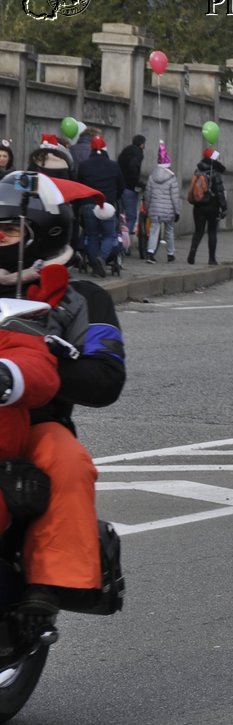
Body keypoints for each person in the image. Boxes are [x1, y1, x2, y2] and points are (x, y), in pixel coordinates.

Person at [0, 171, 110, 630]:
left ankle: (52, 580)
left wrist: (43, 361)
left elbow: (106, 378)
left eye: (6, 231)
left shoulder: (82, 297)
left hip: (39, 420)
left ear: (45, 233)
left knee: (67, 461)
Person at [77, 136, 126, 276]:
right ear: (105, 149)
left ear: (91, 149)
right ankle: (102, 258)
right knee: (109, 235)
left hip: (88, 205)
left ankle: (94, 264)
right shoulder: (113, 165)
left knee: (91, 235)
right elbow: (121, 186)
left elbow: (79, 184)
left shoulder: (84, 165)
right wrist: (113, 198)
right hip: (107, 205)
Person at [186, 148, 227, 266]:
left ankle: (192, 254)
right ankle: (212, 259)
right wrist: (224, 208)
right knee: (212, 232)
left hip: (198, 206)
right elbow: (220, 192)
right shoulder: (215, 173)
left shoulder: (198, 171)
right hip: (212, 206)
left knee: (198, 231)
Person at [143, 143, 181, 263]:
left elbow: (147, 195)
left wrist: (147, 208)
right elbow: (175, 197)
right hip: (169, 210)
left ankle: (150, 252)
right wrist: (177, 211)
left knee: (154, 230)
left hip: (155, 209)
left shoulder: (151, 177)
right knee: (169, 230)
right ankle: (170, 253)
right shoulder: (172, 178)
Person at [116, 134, 145, 228]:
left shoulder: (125, 152)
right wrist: (137, 183)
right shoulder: (138, 153)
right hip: (130, 188)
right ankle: (125, 241)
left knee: (120, 216)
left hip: (120, 187)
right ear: (141, 144)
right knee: (131, 217)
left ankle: (118, 239)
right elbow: (133, 167)